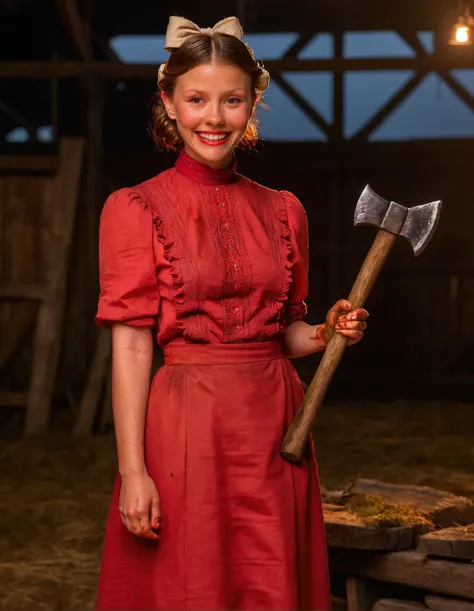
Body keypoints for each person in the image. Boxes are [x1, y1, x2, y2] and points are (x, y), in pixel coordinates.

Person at [94, 15, 369, 611]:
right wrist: (133, 471)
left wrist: (327, 331)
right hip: (187, 426)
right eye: (196, 100)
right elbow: (133, 345)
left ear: (253, 103)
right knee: (190, 585)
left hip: (275, 428)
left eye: (232, 100)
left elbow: (284, 332)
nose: (214, 118)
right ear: (169, 102)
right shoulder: (134, 207)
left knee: (269, 583)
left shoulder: (283, 209)